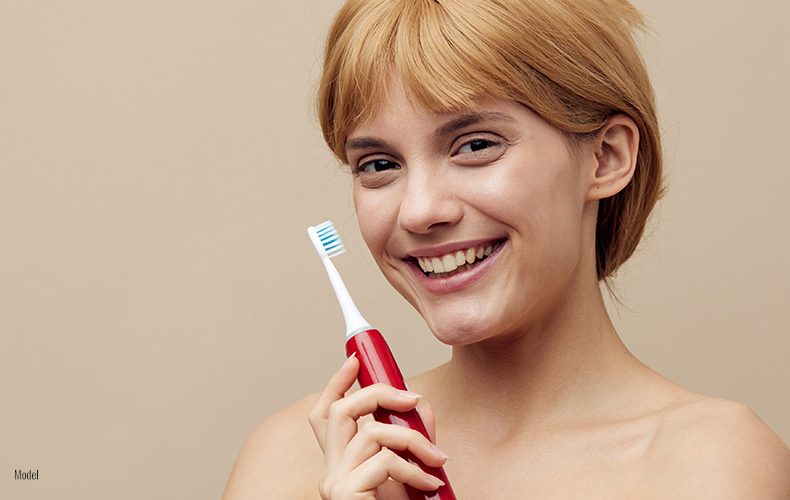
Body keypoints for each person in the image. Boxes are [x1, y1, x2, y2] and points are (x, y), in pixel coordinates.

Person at [222, 0, 790, 498]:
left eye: (475, 145)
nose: (419, 210)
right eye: (379, 164)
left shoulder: (710, 464)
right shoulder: (292, 459)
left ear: (606, 157)